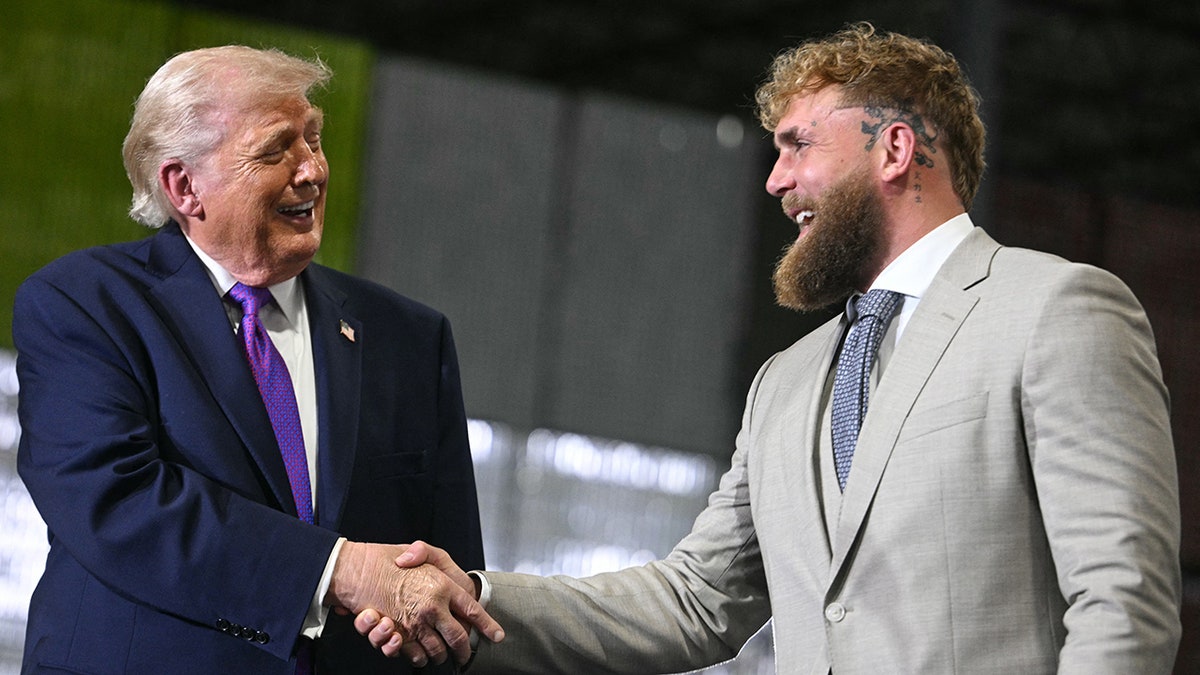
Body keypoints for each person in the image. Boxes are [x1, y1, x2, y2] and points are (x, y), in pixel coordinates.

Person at [359, 22, 1182, 673]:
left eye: (798, 145)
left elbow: (1123, 599)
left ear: (894, 149)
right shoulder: (784, 384)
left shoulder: (1057, 309)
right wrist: (472, 596)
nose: (774, 180)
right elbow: (697, 600)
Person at [14, 45, 502, 675]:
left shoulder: (409, 337)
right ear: (184, 186)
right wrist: (341, 571)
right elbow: (116, 499)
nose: (313, 172)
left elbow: (446, 576)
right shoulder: (85, 304)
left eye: (315, 140)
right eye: (276, 150)